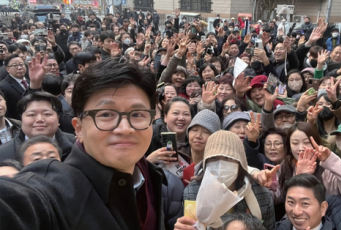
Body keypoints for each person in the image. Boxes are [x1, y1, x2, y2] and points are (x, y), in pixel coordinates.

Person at [0, 58, 166, 229]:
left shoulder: (151, 178)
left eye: (137, 114)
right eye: (106, 115)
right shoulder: (52, 192)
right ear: (78, 128)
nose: (125, 128)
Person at [176, 130, 275, 230]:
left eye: (227, 159)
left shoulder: (260, 193)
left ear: (240, 163)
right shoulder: (194, 191)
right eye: (214, 159)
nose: (220, 165)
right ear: (206, 163)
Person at [0, 91, 75, 162]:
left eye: (47, 114)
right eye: (31, 115)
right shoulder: (4, 153)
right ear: (21, 119)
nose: (39, 119)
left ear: (58, 118)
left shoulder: (76, 145)